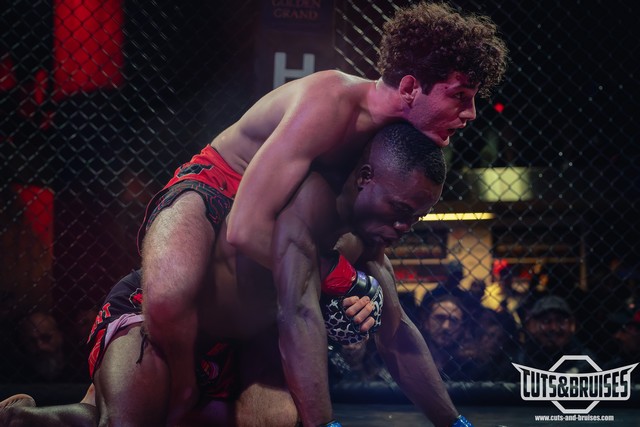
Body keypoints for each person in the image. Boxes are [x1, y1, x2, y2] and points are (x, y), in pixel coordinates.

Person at [138, 3, 507, 423]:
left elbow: (366, 261)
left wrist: (365, 288)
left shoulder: (391, 141)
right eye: (459, 96)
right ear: (409, 87)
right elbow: (245, 228)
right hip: (216, 185)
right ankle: (182, 387)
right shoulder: (329, 102)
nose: (470, 114)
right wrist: (341, 278)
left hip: (281, 226)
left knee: (374, 306)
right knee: (167, 297)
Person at [0, 123, 470, 426]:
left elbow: (398, 335)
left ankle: (44, 417)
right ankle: (31, 418)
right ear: (365, 177)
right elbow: (299, 314)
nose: (406, 226)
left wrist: (456, 423)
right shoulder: (304, 201)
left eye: (417, 216)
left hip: (240, 352)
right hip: (164, 323)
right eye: (400, 209)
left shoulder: (368, 242)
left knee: (272, 420)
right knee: (123, 422)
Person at [514, 295, 597, 373]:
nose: (554, 328)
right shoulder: (521, 360)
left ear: (572, 325)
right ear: (532, 326)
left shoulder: (586, 362)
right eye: (546, 321)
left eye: (560, 321)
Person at [417, 294, 472, 381]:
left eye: (453, 320)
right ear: (426, 322)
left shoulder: (468, 368)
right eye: (440, 318)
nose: (446, 326)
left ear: (461, 328)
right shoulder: (411, 359)